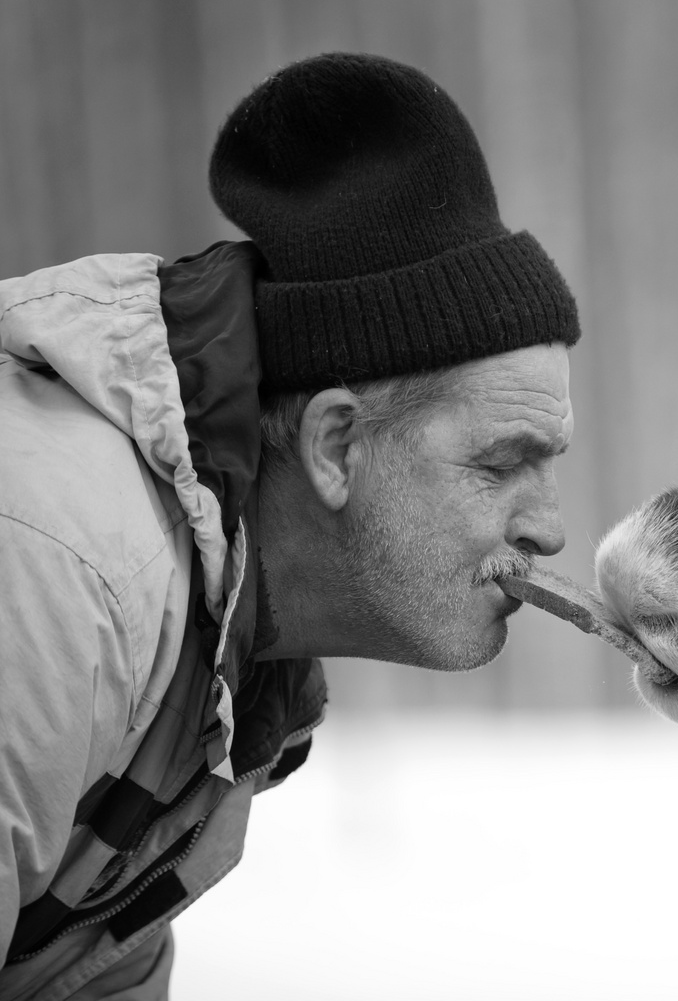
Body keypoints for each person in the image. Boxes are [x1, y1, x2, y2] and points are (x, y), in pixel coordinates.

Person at [0, 53, 580, 999]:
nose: (551, 530)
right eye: (501, 463)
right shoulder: (60, 573)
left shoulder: (225, 664)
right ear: (336, 444)